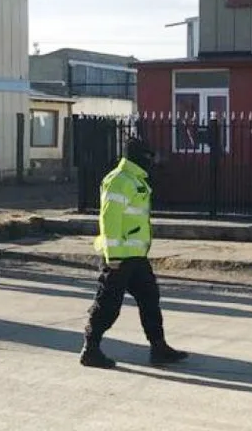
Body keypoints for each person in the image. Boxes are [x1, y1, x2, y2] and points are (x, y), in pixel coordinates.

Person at [80, 136, 187, 369]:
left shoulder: (134, 179)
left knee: (150, 298)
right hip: (120, 257)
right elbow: (109, 220)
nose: (152, 161)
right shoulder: (119, 180)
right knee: (108, 303)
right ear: (139, 157)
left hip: (136, 255)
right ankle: (90, 348)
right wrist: (114, 257)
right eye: (148, 156)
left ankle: (158, 346)